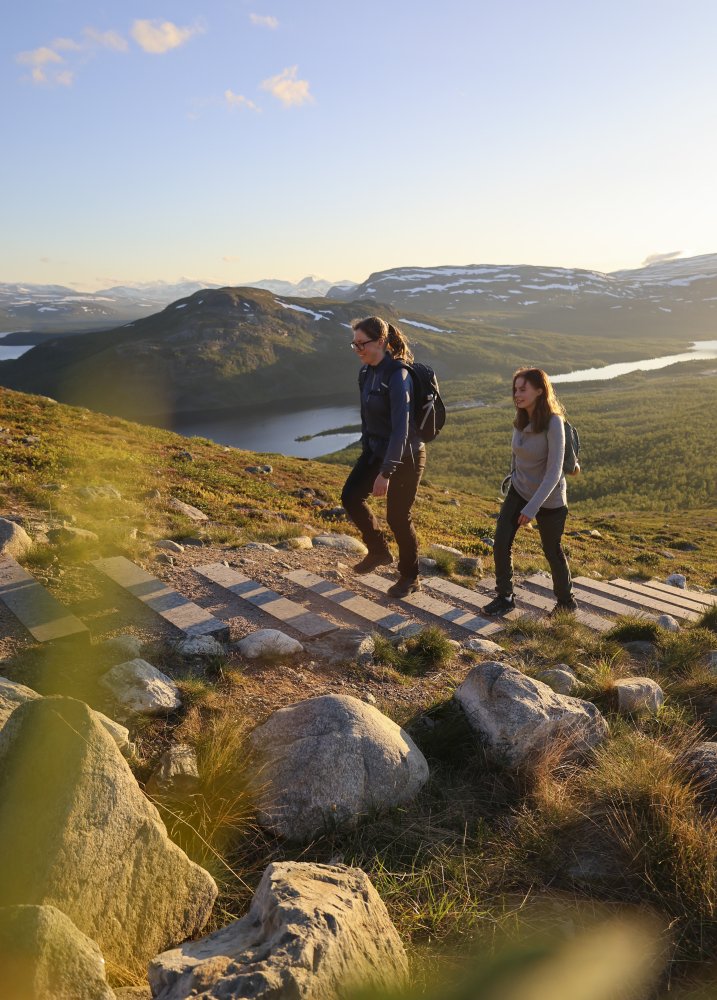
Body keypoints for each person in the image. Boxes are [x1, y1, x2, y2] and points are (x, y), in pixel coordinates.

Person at [341, 316, 426, 597]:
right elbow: (368, 418)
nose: (357, 350)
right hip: (376, 449)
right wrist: (368, 453)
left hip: (406, 455)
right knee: (351, 496)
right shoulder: (366, 373)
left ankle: (410, 577)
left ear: (380, 342)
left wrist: (386, 472)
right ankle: (378, 551)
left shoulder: (398, 376)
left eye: (361, 344)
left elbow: (401, 429)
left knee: (399, 517)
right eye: (354, 345)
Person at [483, 367, 578, 616]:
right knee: (501, 542)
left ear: (539, 390)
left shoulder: (554, 422)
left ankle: (566, 602)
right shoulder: (521, 418)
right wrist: (512, 479)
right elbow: (516, 455)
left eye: (523, 389)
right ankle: (505, 597)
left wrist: (532, 508)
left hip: (550, 500)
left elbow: (555, 472)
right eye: (515, 389)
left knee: (551, 549)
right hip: (519, 491)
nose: (517, 394)